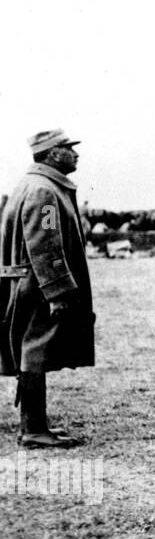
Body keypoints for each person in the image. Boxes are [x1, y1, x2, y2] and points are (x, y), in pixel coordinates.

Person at [1, 129, 95, 448]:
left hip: (28, 280)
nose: (75, 153)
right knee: (35, 350)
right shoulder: (43, 190)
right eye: (69, 148)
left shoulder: (36, 184)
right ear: (53, 154)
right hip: (38, 285)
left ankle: (34, 425)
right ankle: (33, 429)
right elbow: (45, 245)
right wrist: (57, 292)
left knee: (32, 350)